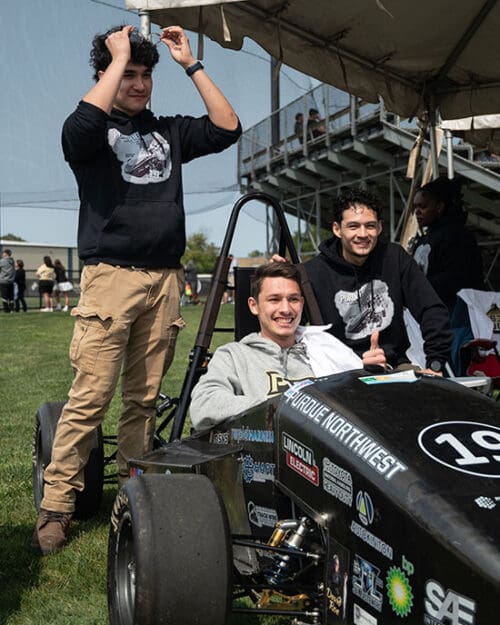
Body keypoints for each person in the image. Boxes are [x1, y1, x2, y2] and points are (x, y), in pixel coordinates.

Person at [32, 23, 241, 555]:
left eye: (146, 75)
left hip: (165, 280)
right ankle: (56, 505)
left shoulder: (167, 130)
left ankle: (134, 495)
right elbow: (78, 128)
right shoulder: (92, 132)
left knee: (143, 400)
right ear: (106, 76)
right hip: (111, 279)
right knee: (90, 398)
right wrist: (116, 57)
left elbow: (227, 127)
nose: (140, 83)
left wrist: (190, 64)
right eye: (129, 74)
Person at [190, 262, 386, 430]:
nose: (285, 309)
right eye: (274, 299)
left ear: (301, 304)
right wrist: (283, 409)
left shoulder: (324, 350)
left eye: (293, 299)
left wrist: (370, 376)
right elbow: (204, 404)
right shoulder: (234, 355)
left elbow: (362, 410)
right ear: (254, 305)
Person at [303, 189, 453, 374]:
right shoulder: (312, 273)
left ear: (380, 228)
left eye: (370, 226)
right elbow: (284, 324)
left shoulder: (395, 258)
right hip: (337, 372)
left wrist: (435, 363)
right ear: (337, 229)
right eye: (353, 226)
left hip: (394, 368)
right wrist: (278, 276)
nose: (363, 234)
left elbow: (432, 309)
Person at [412, 176, 484, 315]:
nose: (417, 212)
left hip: (456, 318)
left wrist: (418, 284)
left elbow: (457, 278)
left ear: (439, 207)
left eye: (423, 206)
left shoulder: (458, 236)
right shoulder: (425, 238)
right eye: (416, 207)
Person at [0, 249, 15, 313]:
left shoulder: (2, 261)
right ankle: (11, 309)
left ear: (6, 254)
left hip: (3, 280)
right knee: (11, 296)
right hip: (11, 281)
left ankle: (6, 309)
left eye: (3, 253)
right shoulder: (12, 261)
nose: (2, 254)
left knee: (4, 296)